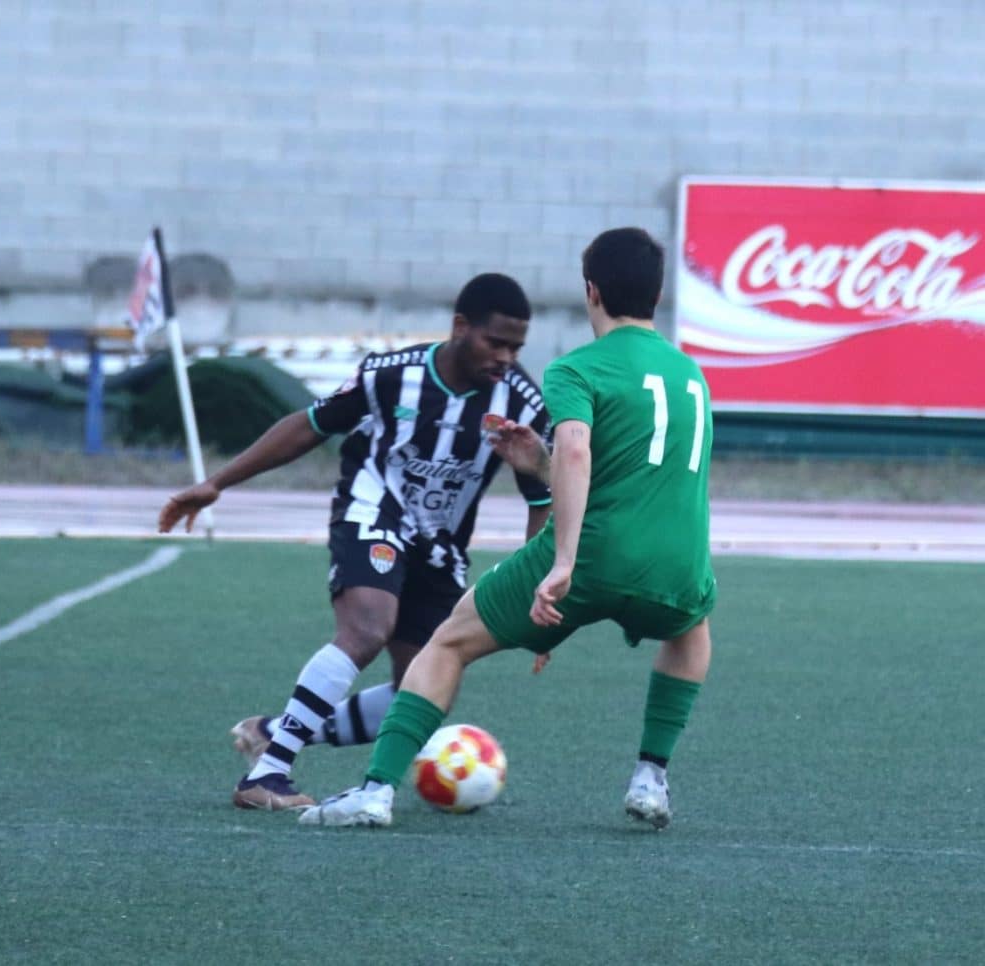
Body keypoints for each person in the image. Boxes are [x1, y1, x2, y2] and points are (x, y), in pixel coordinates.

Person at [299, 227, 716, 830]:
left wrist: (563, 561)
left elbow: (577, 452)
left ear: (591, 291)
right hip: (679, 565)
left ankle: (374, 791)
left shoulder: (576, 370)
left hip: (592, 559)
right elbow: (639, 472)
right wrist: (537, 464)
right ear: (657, 295)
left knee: (448, 642)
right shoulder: (691, 377)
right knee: (691, 631)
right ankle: (651, 777)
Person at [158, 273, 552, 811]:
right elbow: (309, 425)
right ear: (461, 327)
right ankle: (267, 775)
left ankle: (274, 732)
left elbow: (540, 500)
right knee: (367, 627)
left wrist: (540, 588)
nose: (506, 357)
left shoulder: (523, 404)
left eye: (516, 347)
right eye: (495, 342)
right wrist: (216, 483)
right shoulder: (392, 375)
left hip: (440, 548)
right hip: (374, 510)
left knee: (423, 685)